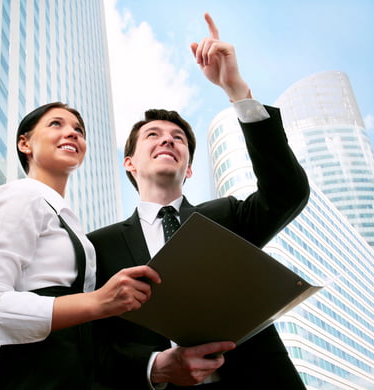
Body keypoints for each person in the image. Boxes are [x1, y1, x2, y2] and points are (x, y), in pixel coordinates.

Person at [88, 13, 310, 390]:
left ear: (189, 169)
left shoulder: (227, 216)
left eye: (178, 138)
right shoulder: (98, 246)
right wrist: (154, 367)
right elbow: (94, 345)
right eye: (153, 135)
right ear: (130, 163)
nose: (168, 140)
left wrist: (237, 90)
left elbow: (288, 193)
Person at [0, 102, 161, 390]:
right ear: (25, 143)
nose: (72, 133)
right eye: (56, 124)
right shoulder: (20, 196)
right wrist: (97, 302)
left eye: (79, 130)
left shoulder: (69, 220)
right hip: (33, 377)